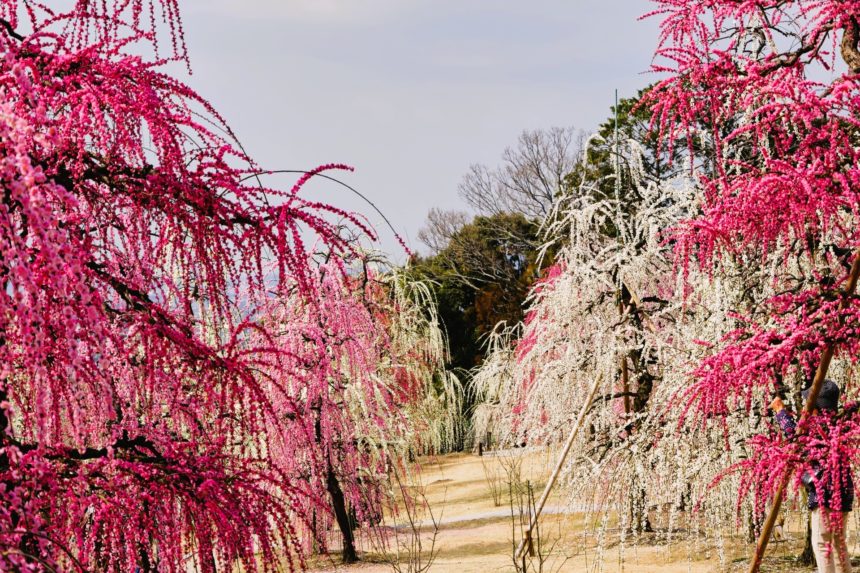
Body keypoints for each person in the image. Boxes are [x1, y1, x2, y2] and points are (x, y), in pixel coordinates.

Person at [770, 379, 854, 573]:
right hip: (843, 490)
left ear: (815, 405)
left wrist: (780, 411)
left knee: (823, 544)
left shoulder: (817, 426)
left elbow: (794, 436)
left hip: (825, 491)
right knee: (839, 545)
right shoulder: (840, 423)